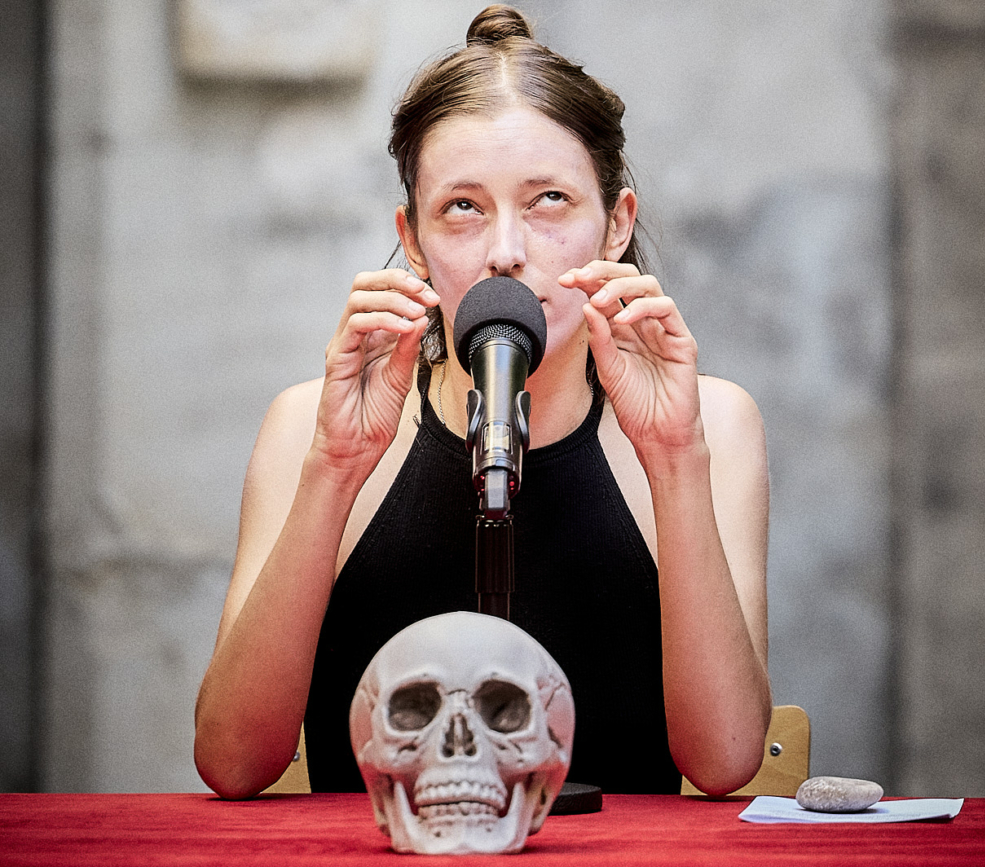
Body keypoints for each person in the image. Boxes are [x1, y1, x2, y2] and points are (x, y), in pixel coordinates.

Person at [194, 4, 771, 800]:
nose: (506, 251)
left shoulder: (716, 422)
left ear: (616, 226)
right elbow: (231, 761)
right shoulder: (307, 424)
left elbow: (727, 758)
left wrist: (674, 457)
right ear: (414, 239)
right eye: (462, 208)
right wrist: (334, 466)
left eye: (549, 200)